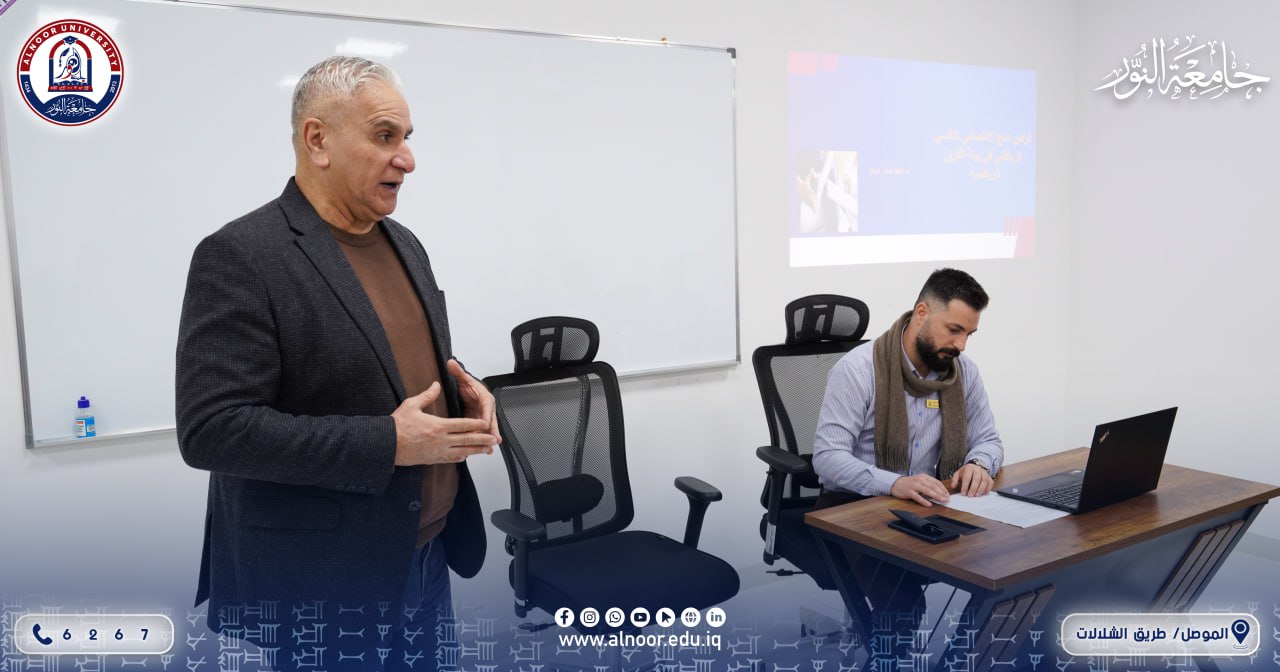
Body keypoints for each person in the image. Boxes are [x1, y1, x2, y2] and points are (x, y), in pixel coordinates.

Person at [175, 56, 498, 671]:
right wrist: (389, 442)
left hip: (428, 556)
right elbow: (211, 430)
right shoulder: (240, 255)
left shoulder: (404, 243)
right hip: (325, 581)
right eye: (385, 136)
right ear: (318, 140)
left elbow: (391, 363)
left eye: (406, 138)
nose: (407, 159)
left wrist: (466, 389)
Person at [811, 267, 1003, 658]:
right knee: (903, 603)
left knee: (1003, 565)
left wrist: (979, 464)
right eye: (954, 330)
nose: (961, 345)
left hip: (926, 504)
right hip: (854, 508)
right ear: (921, 313)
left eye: (969, 334)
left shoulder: (963, 373)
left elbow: (989, 440)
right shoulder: (858, 370)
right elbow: (827, 458)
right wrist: (894, 483)